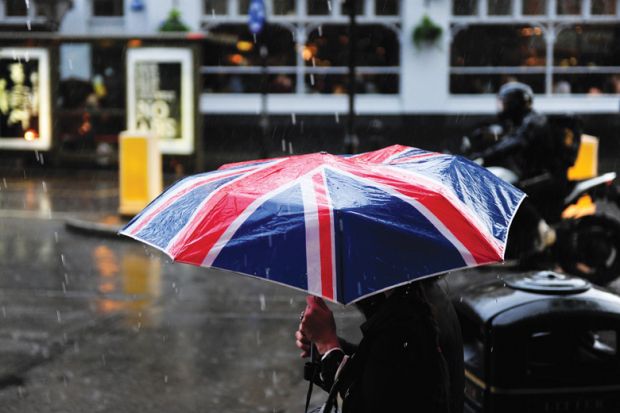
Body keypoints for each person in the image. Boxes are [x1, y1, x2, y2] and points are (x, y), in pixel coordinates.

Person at [295, 278, 463, 413]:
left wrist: (327, 344)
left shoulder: (404, 323)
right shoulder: (414, 300)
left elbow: (365, 402)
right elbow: (377, 369)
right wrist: (324, 347)